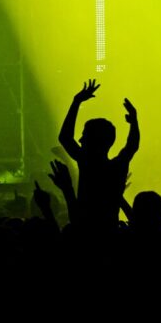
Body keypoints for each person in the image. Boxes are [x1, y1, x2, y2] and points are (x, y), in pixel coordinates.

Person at [57, 78, 139, 229]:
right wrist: (134, 122)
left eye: (84, 136)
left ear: (94, 141)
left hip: (85, 234)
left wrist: (76, 102)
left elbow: (65, 138)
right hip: (110, 233)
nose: (80, 140)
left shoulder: (87, 163)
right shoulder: (117, 167)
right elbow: (131, 147)